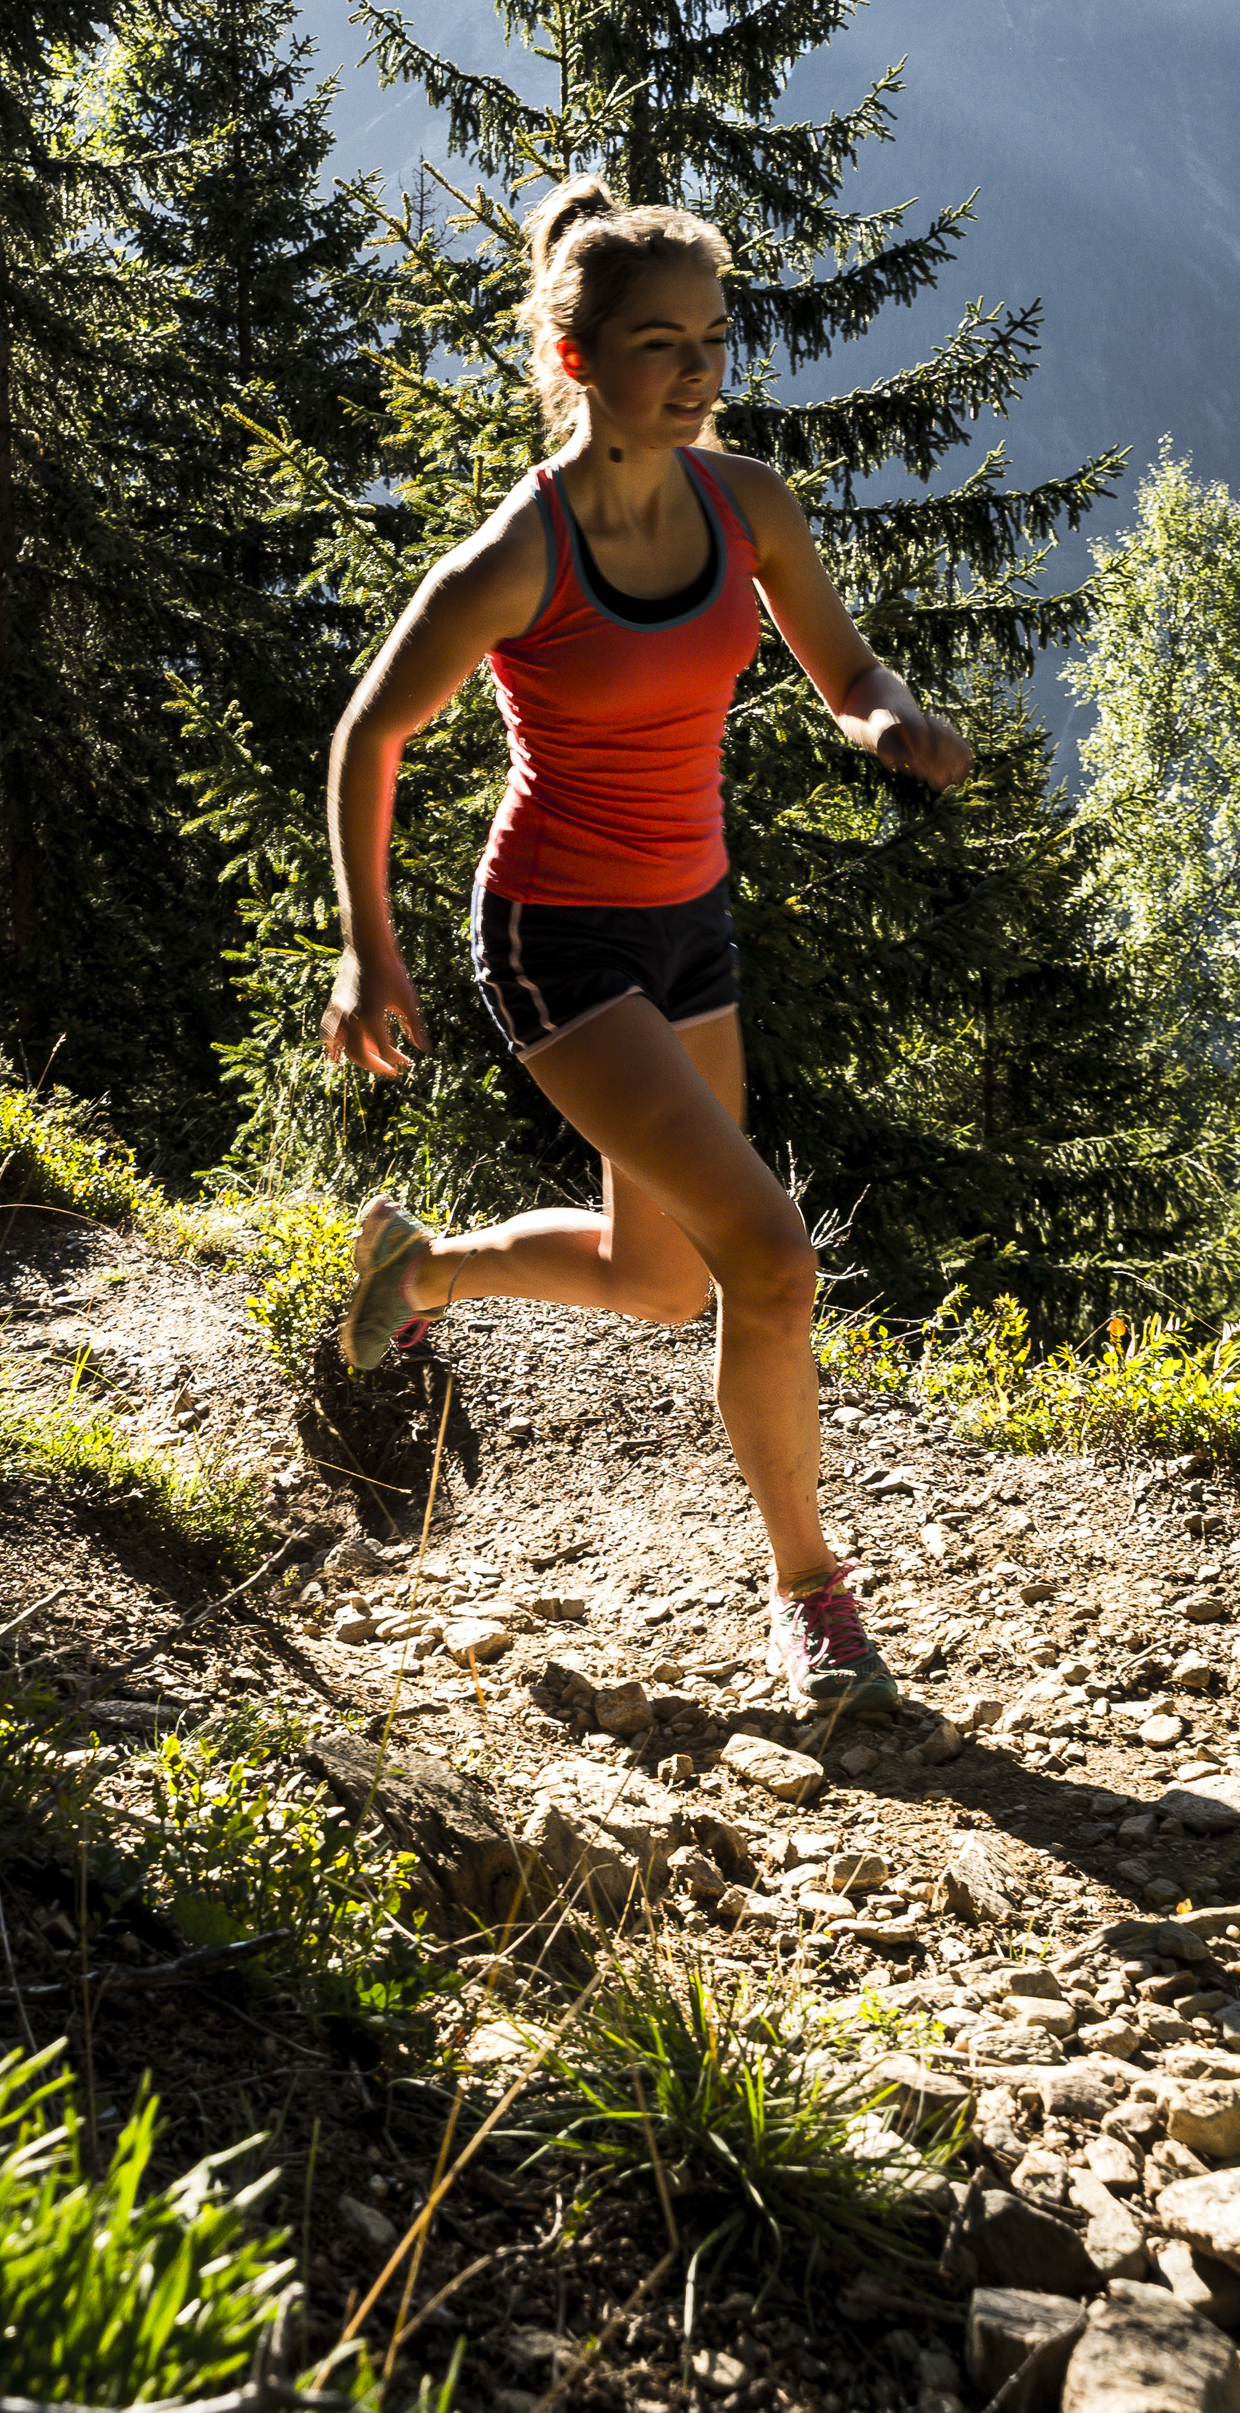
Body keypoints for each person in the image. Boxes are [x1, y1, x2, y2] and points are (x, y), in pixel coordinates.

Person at [320, 177, 972, 1717]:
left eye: (716, 338)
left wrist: (886, 713)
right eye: (662, 343)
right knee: (773, 1253)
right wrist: (369, 947)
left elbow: (842, 660)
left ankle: (418, 1268)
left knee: (659, 1277)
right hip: (556, 931)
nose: (699, 371)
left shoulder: (748, 502)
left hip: (693, 919)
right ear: (576, 361)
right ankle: (812, 1596)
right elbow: (370, 731)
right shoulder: (516, 555)